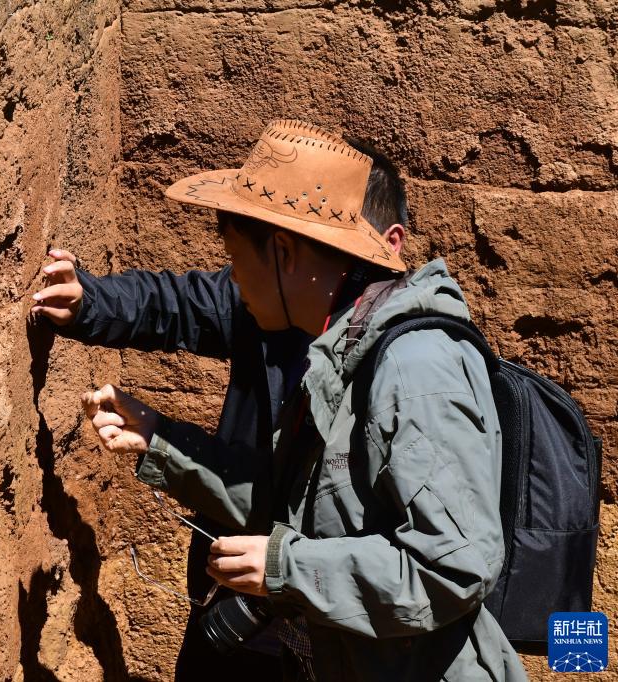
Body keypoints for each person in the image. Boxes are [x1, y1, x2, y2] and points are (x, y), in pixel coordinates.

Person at [75, 120, 527, 680]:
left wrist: (287, 567)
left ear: (285, 253)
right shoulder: (339, 353)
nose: (234, 282)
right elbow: (302, 508)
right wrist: (163, 442)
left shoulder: (418, 369)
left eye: (237, 260)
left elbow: (454, 566)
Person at [31, 120, 407, 678]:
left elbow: (396, 552)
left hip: (330, 634)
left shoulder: (402, 366)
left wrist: (165, 444)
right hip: (238, 609)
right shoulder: (273, 302)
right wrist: (91, 301)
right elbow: (179, 303)